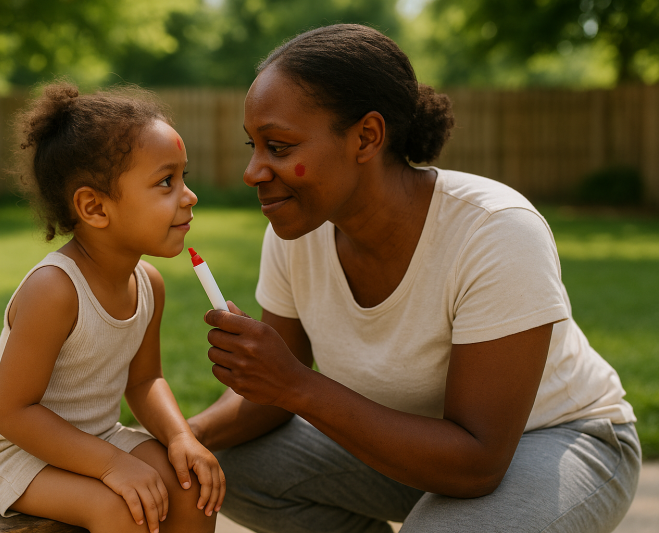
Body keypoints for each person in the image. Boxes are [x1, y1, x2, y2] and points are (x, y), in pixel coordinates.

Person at [187, 24, 640, 533]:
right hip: (411, 447)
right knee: (216, 465)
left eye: (279, 147)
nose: (253, 171)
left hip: (553, 441)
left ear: (367, 137)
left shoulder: (495, 230)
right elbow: (269, 399)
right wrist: (185, 435)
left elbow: (478, 462)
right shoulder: (299, 235)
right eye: (254, 146)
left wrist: (297, 386)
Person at [0, 82, 225, 533]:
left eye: (183, 177)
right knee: (121, 511)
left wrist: (181, 435)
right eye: (166, 181)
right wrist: (111, 466)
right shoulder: (55, 289)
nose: (188, 195)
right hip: (12, 452)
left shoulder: (149, 285)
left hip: (95, 438)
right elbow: (13, 413)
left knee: (191, 488)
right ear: (94, 207)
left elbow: (145, 381)